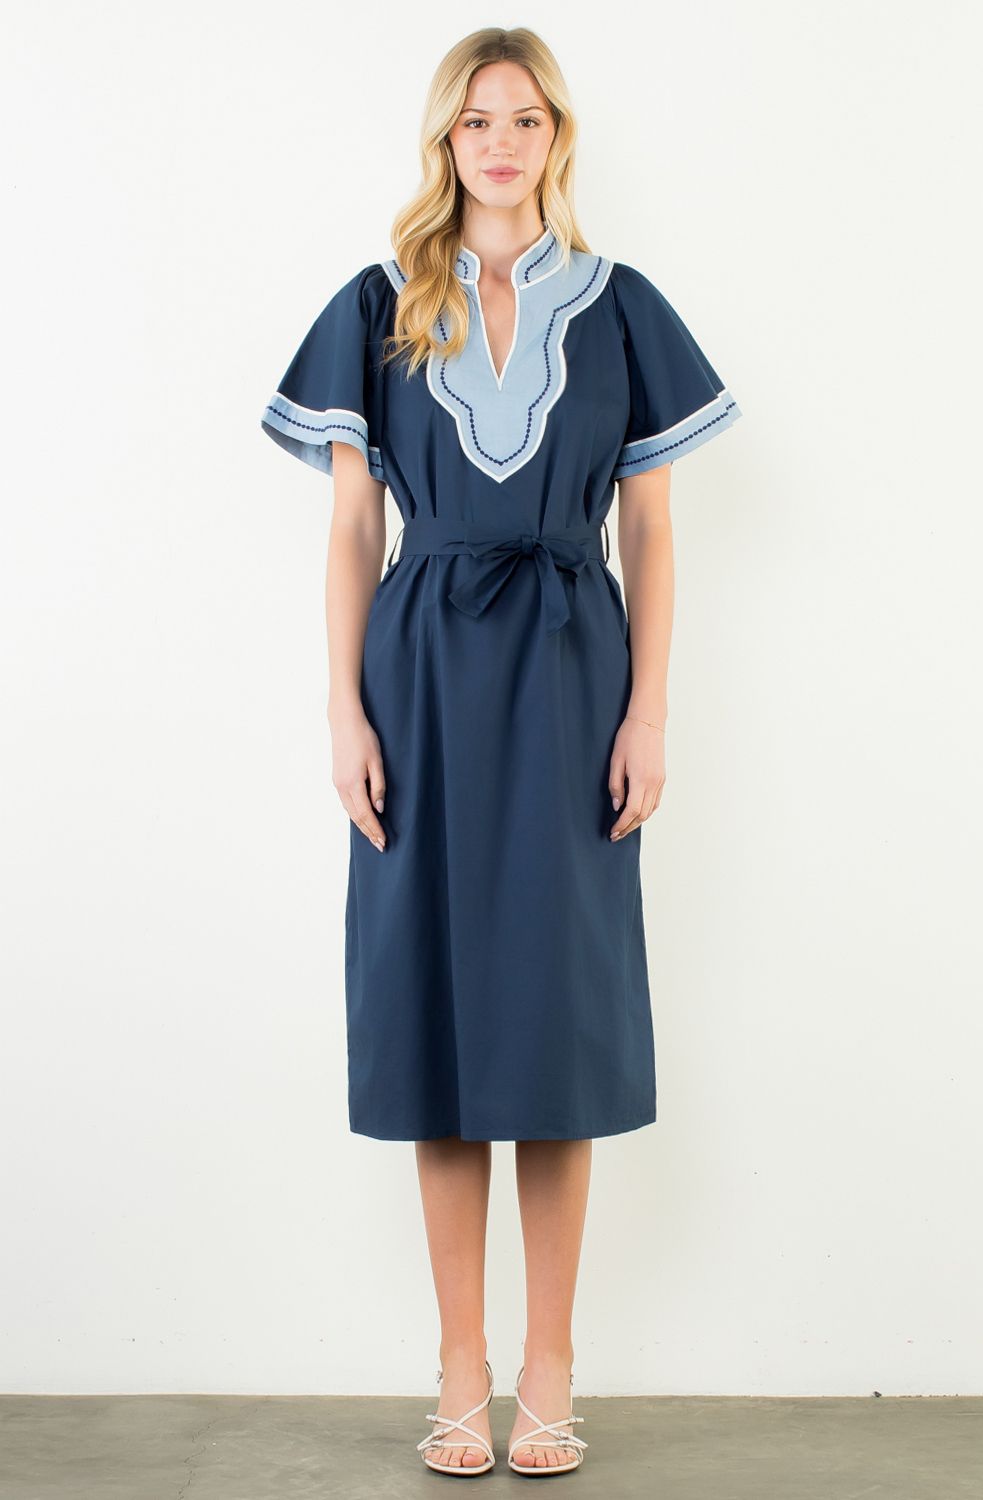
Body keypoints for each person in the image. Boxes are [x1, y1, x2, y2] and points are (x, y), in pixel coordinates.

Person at [261, 25, 741, 1480]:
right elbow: (353, 525)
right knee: (439, 1012)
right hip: (419, 675)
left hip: (574, 669)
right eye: (476, 121)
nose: (501, 143)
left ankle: (551, 1367)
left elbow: (651, 527)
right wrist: (343, 711)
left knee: (554, 1018)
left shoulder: (622, 306)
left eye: (525, 119)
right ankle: (460, 1366)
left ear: (557, 137)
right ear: (444, 140)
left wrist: (649, 710)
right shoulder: (377, 304)